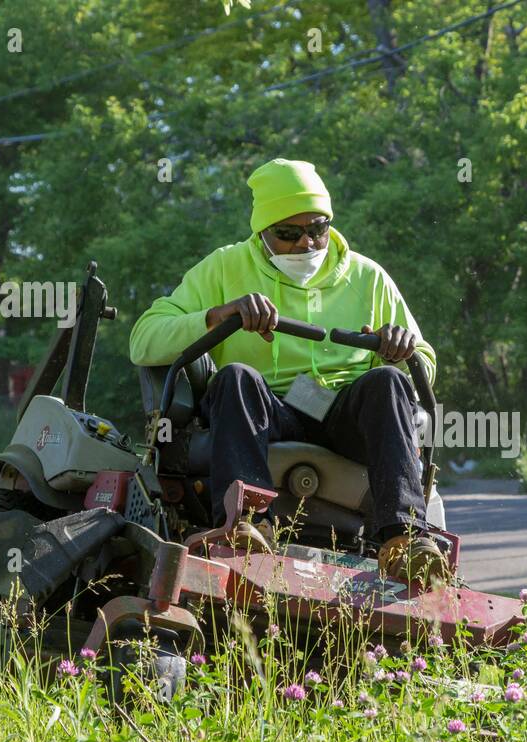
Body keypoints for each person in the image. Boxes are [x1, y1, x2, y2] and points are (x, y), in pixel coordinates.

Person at [130, 158, 448, 582]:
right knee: (236, 376)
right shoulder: (225, 268)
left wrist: (400, 351)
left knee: (388, 381)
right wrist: (217, 315)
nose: (306, 243)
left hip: (344, 415)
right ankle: (244, 524)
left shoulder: (368, 277)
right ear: (262, 233)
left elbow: (423, 360)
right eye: (288, 233)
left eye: (317, 228)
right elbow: (143, 339)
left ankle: (405, 540)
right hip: (268, 412)